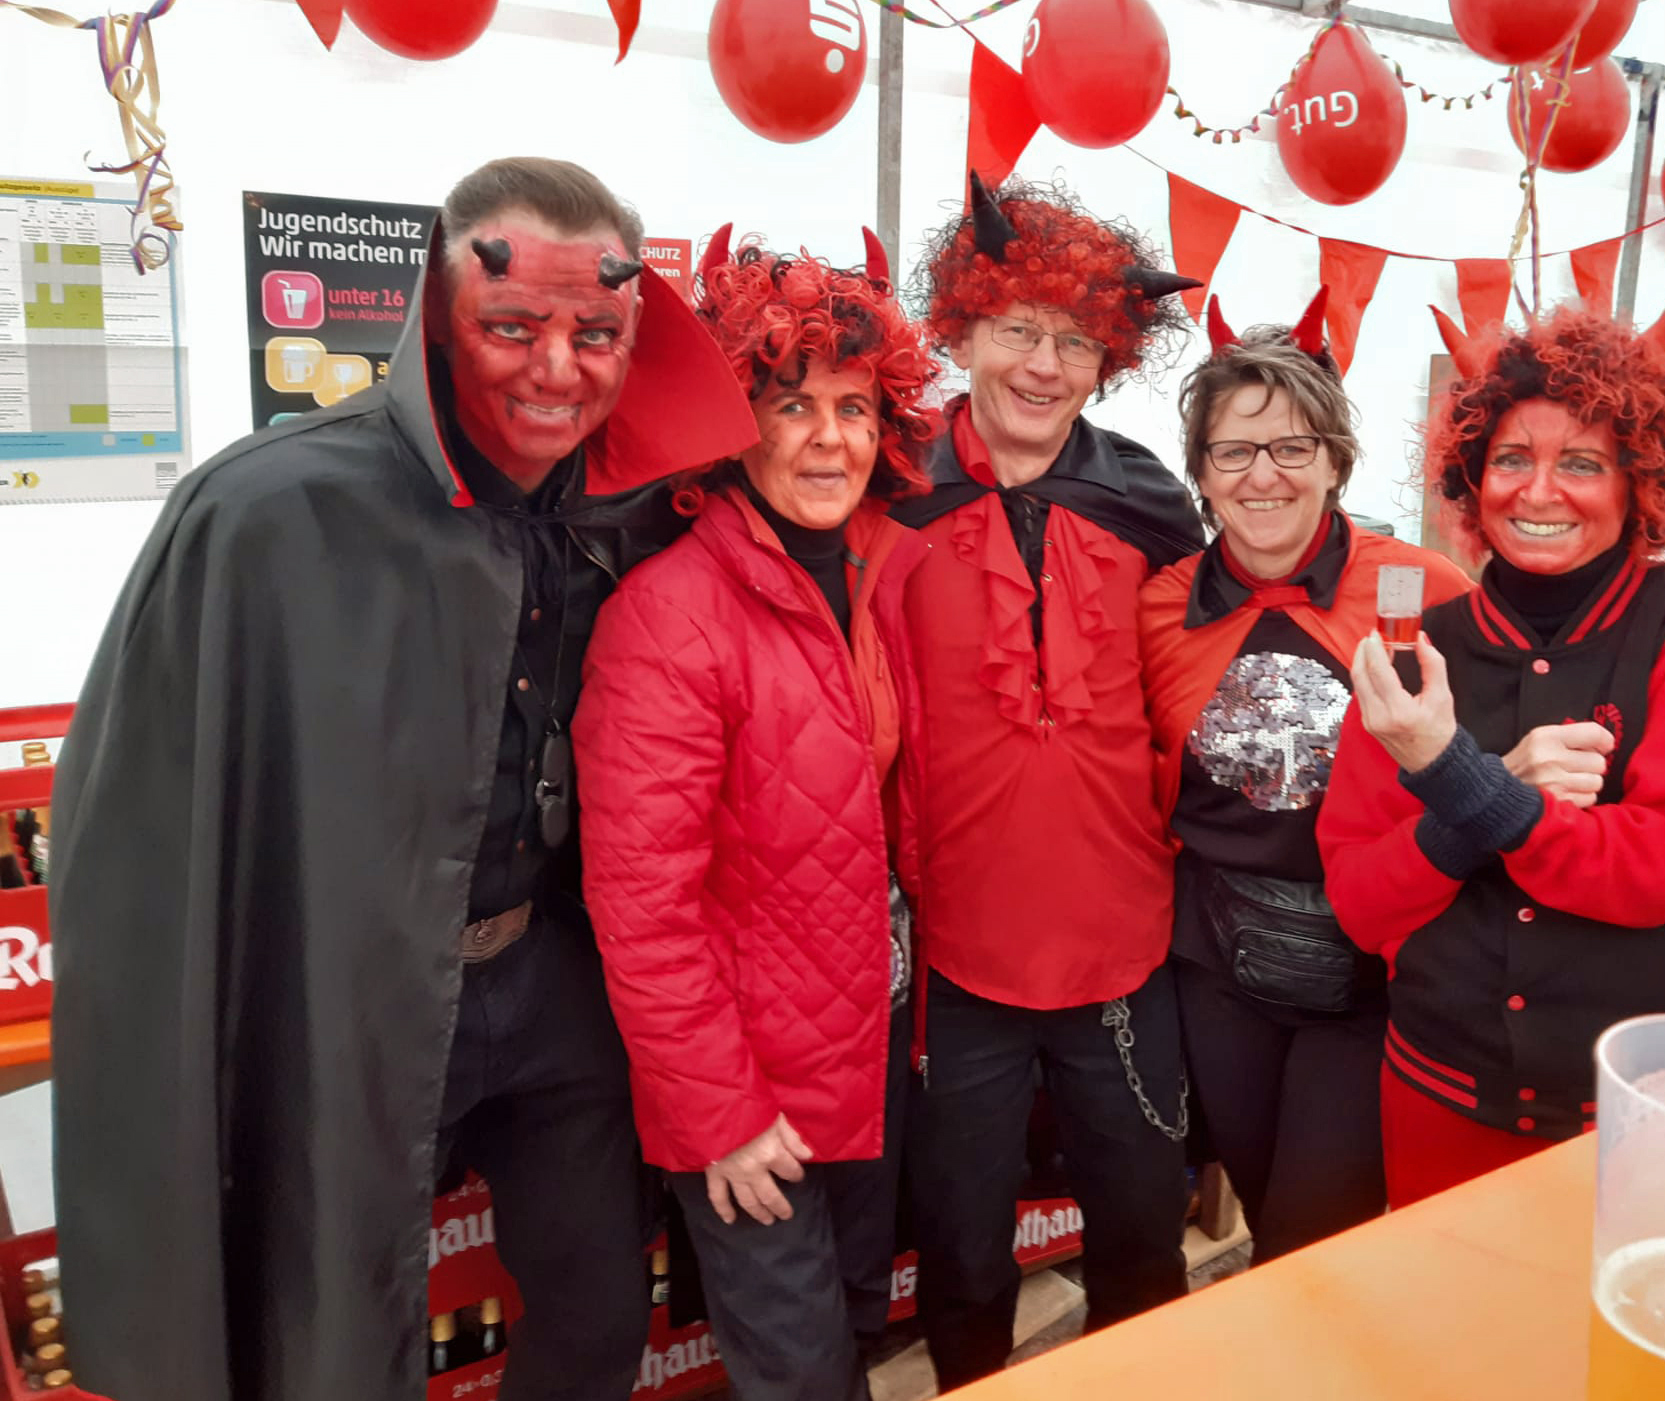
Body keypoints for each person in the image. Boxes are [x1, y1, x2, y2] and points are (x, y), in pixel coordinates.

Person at [49, 157, 758, 1401]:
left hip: (548, 977)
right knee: (328, 1324)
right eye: (511, 327)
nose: (557, 370)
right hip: (347, 1001)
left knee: (602, 1303)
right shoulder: (268, 512)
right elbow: (134, 830)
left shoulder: (638, 511)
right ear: (437, 314)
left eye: (596, 334)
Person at [572, 227, 941, 1401]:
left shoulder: (882, 575)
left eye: (855, 408)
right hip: (753, 1091)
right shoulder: (667, 613)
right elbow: (641, 902)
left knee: (855, 1329)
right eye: (794, 407)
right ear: (738, 427)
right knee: (801, 1374)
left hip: (871, 1054)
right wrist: (720, 1114)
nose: (831, 438)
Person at [1317, 283, 1665, 1209]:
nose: (1537, 491)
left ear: (1638, 482)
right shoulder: (1417, 652)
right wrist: (1486, 792)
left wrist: (1457, 777)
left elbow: (1656, 868)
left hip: (1662, 1102)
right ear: (1471, 479)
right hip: (1444, 1092)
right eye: (1511, 459)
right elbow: (1360, 902)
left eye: (1581, 463)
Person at [889, 172, 1207, 1390]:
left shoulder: (1151, 501)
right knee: (963, 1252)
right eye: (1019, 329)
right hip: (957, 954)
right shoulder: (887, 489)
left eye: (1078, 341)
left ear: (1109, 360)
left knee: (1141, 1238)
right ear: (962, 328)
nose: (1043, 364)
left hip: (1125, 944)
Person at [1137, 293, 1473, 1264]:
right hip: (1219, 968)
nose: (1264, 475)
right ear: (1202, 473)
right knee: (1262, 1202)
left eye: (1292, 446)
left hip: (1371, 973)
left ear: (1334, 460)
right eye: (1234, 451)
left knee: (1315, 1237)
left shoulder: (1420, 589)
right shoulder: (1160, 607)